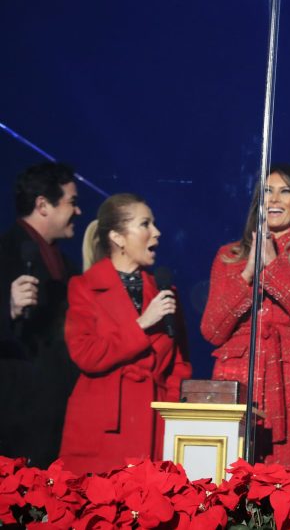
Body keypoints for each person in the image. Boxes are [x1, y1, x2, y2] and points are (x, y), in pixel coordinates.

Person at [201, 164, 290, 476]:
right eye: (267, 191)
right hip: (237, 379)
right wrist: (248, 273)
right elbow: (212, 331)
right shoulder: (229, 256)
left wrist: (274, 266)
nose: (274, 198)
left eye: (285, 190)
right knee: (231, 482)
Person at [59, 193, 192, 475]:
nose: (156, 232)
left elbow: (179, 364)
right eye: (145, 224)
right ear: (118, 237)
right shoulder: (84, 287)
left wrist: (171, 420)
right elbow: (86, 355)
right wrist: (141, 324)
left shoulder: (164, 292)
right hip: (103, 427)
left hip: (153, 427)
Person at [0, 162, 81, 468]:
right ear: (42, 205)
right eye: (71, 202)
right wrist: (7, 308)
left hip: (56, 413)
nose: (78, 212)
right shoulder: (4, 252)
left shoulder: (69, 267)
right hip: (13, 415)